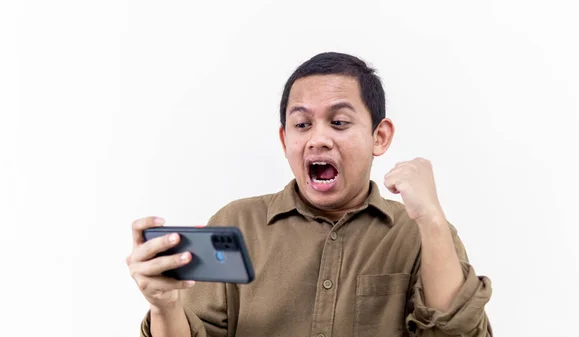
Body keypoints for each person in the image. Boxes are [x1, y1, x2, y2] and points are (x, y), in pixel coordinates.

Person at [126, 52, 493, 337]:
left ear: (379, 137)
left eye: (339, 122)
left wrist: (431, 219)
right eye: (302, 124)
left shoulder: (420, 235)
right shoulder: (236, 223)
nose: (318, 138)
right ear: (286, 140)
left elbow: (457, 332)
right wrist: (164, 306)